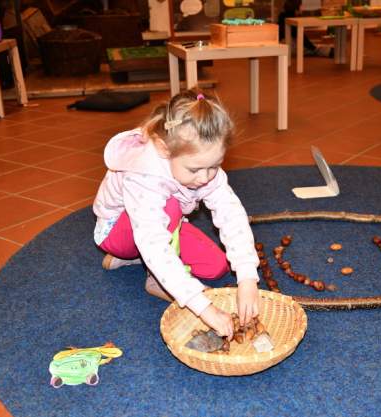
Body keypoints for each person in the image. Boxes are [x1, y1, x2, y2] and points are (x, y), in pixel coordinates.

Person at [92, 89, 260, 339]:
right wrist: (202, 307)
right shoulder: (145, 174)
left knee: (215, 266)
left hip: (165, 225)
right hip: (117, 231)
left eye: (214, 166)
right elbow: (153, 241)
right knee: (169, 208)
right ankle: (153, 276)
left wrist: (247, 277)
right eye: (194, 170)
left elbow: (231, 215)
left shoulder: (202, 166)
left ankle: (139, 260)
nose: (204, 178)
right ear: (164, 149)